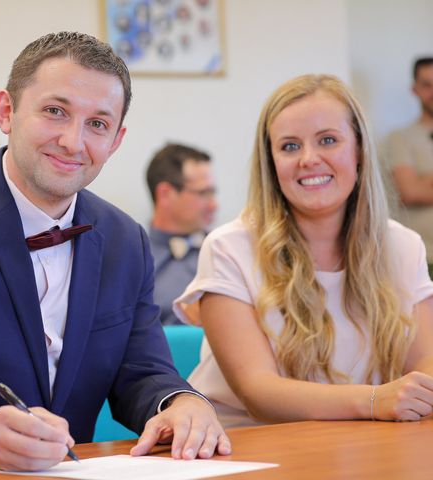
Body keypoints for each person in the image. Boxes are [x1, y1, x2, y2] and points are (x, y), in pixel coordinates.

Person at [0, 32, 230, 471]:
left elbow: (142, 375)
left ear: (116, 140)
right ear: (5, 111)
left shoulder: (125, 239)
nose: (73, 141)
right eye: (55, 112)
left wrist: (180, 402)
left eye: (98, 124)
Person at [174, 74, 433, 429]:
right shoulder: (228, 248)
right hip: (249, 449)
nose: (309, 159)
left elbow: (425, 362)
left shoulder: (403, 246)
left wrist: (415, 392)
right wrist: (376, 400)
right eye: (290, 146)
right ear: (272, 162)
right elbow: (259, 392)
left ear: (359, 150)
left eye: (328, 140)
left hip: (362, 444)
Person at [145, 143, 218, 325]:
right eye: (203, 193)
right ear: (166, 194)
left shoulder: (227, 250)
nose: (214, 205)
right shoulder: (134, 260)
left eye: (213, 193)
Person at [386, 57, 433, 278]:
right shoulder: (400, 138)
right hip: (425, 258)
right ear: (415, 89)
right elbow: (409, 191)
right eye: (426, 84)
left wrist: (425, 179)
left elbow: (418, 187)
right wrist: (416, 186)